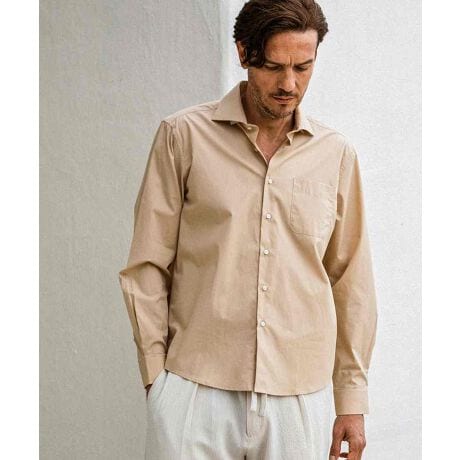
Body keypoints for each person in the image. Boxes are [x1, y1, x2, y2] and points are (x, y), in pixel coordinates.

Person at [118, 1, 378, 459]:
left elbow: (350, 281)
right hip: (196, 387)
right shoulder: (183, 136)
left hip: (298, 397)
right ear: (243, 53)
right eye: (274, 67)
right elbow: (147, 264)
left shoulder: (336, 155)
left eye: (303, 67)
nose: (289, 84)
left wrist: (351, 401)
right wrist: (158, 380)